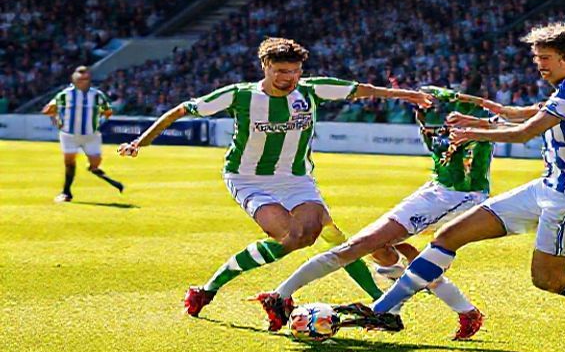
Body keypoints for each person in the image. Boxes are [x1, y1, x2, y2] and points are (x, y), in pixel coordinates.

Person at [336, 23, 565, 352]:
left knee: (549, 279)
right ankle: (385, 310)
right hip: (548, 186)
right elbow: (527, 114)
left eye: (545, 58)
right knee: (449, 236)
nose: (540, 66)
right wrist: (486, 119)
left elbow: (525, 134)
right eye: (537, 59)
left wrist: (476, 133)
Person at [117, 37, 432, 317]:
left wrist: (410, 96)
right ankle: (207, 290)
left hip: (296, 179)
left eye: (294, 71)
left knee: (322, 235)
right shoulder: (239, 96)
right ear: (265, 66)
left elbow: (365, 91)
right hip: (248, 178)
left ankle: (378, 302)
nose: (289, 78)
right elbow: (181, 110)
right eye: (281, 71)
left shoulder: (310, 91)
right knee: (292, 238)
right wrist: (139, 142)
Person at [252, 85, 493, 340]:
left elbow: (501, 119)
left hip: (461, 196)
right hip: (434, 190)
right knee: (384, 251)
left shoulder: (479, 119)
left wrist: (451, 98)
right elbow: (436, 142)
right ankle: (461, 311)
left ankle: (279, 296)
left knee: (359, 246)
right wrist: (423, 114)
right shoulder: (434, 123)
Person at [42, 65, 123, 202]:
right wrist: (56, 120)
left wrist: (98, 119)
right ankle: (66, 192)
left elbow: (108, 111)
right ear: (74, 80)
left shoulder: (97, 95)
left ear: (89, 80)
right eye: (80, 78)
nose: (82, 81)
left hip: (91, 135)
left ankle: (93, 168)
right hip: (69, 134)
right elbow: (48, 110)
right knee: (69, 161)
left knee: (95, 163)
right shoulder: (65, 94)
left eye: (85, 78)